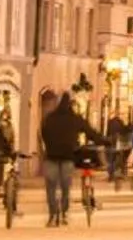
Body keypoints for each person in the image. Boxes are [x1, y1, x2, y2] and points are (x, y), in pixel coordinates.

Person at [38, 88, 104, 228]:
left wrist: (49, 146)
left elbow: (43, 133)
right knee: (65, 187)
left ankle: (52, 215)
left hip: (51, 156)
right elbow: (91, 133)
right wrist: (104, 141)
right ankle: (64, 214)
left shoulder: (50, 118)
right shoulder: (75, 119)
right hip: (68, 156)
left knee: (51, 188)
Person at [104, 111, 130, 189]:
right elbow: (124, 132)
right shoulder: (120, 122)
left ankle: (111, 176)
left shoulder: (110, 122)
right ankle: (122, 173)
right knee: (121, 158)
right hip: (119, 142)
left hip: (111, 141)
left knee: (110, 160)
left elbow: (107, 132)